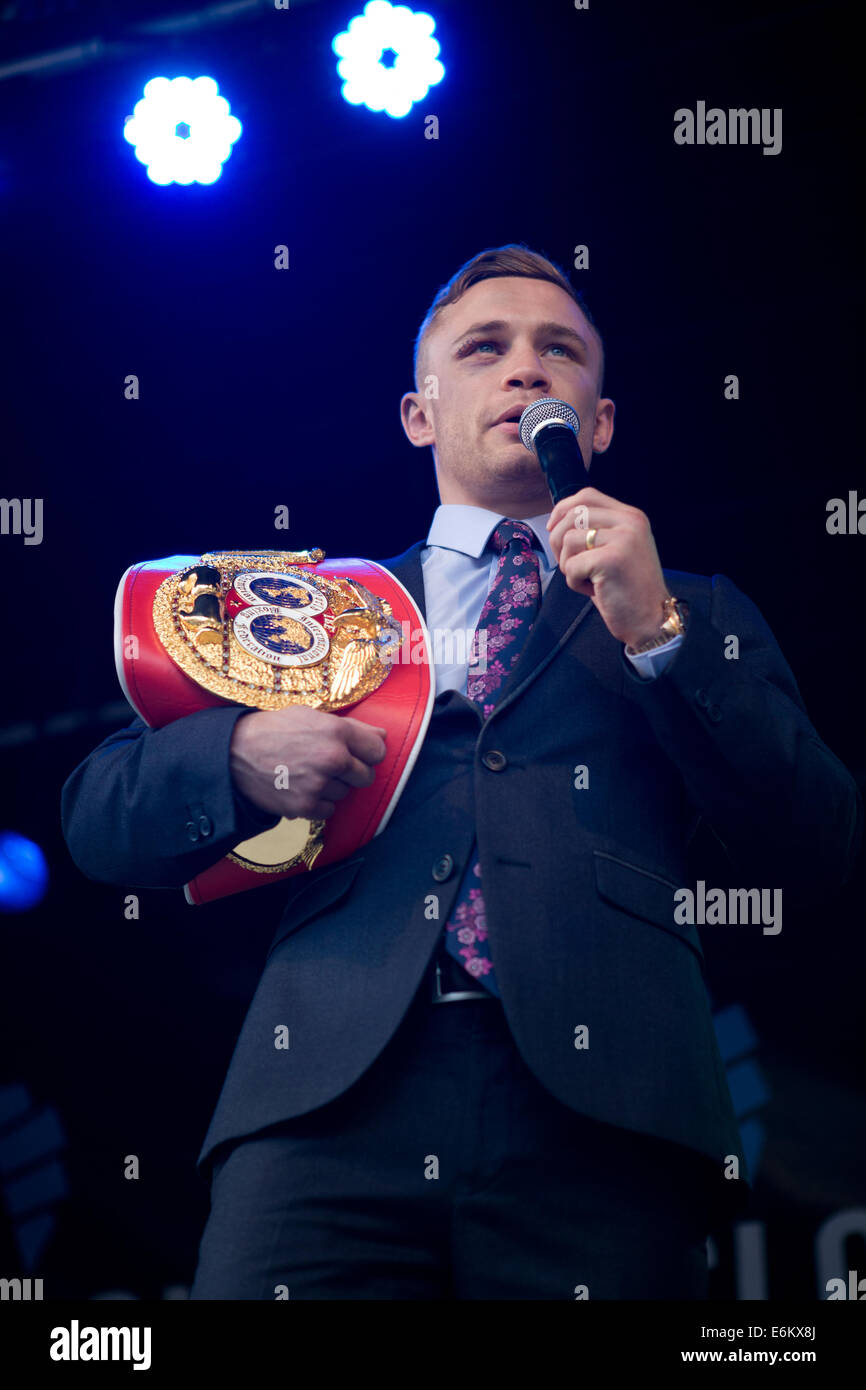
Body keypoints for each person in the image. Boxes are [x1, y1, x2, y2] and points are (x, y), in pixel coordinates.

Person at [61, 244, 862, 1300]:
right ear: (419, 412)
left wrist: (656, 631)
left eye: (558, 350)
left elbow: (813, 838)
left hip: (607, 1109)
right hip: (325, 1105)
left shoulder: (692, 606)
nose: (524, 368)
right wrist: (240, 758)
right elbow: (97, 815)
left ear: (601, 421)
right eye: (484, 348)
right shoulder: (308, 608)